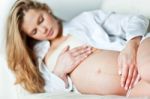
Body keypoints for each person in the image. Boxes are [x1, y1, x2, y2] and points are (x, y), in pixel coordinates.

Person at [6, 0, 150, 96]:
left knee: (147, 69)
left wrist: (132, 44)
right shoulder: (41, 60)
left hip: (138, 56)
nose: (43, 30)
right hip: (130, 89)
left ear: (46, 10)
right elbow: (48, 92)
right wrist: (59, 71)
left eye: (41, 20)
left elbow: (136, 20)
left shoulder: (85, 20)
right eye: (34, 31)